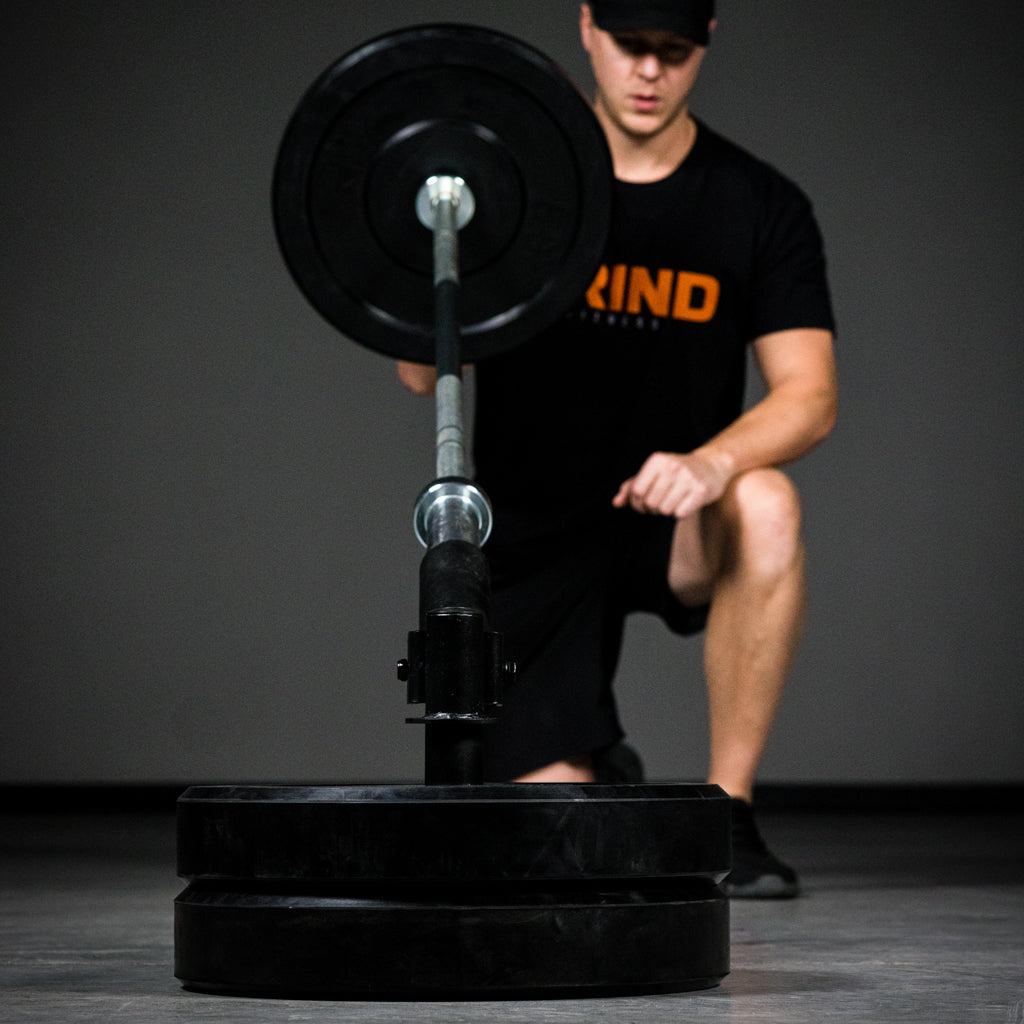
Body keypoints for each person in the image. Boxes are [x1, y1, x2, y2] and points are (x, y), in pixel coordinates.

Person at [398, 0, 837, 898]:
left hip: (665, 519)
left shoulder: (758, 203)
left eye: (672, 53)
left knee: (766, 500)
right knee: (563, 843)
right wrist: (461, 214)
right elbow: (418, 373)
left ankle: (732, 813)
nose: (648, 73)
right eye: (631, 46)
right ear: (588, 27)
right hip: (529, 538)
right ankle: (595, 761)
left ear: (709, 38)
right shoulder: (521, 190)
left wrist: (711, 463)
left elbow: (810, 393)